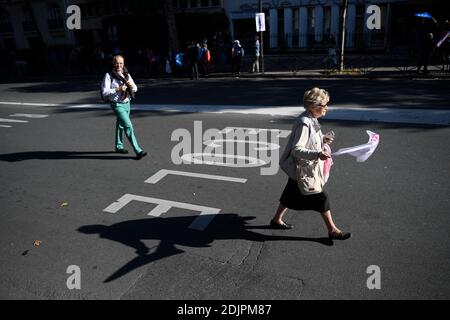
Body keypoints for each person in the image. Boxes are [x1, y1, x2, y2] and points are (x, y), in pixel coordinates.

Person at [271, 87, 351, 240]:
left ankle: (276, 220)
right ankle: (332, 230)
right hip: (304, 169)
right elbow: (297, 149)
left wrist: (323, 139)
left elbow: (312, 139)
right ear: (313, 106)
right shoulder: (304, 123)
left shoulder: (312, 119)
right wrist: (318, 154)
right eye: (324, 105)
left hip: (302, 169)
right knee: (322, 197)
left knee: (291, 193)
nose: (326, 108)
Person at [101, 55, 147, 159]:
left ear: (123, 64)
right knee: (128, 126)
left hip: (127, 103)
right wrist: (118, 89)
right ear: (113, 63)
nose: (119, 65)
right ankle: (138, 150)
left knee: (120, 125)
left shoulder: (126, 74)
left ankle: (119, 146)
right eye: (117, 63)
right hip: (116, 104)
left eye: (121, 63)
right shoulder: (109, 75)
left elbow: (135, 88)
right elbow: (104, 92)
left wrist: (130, 85)